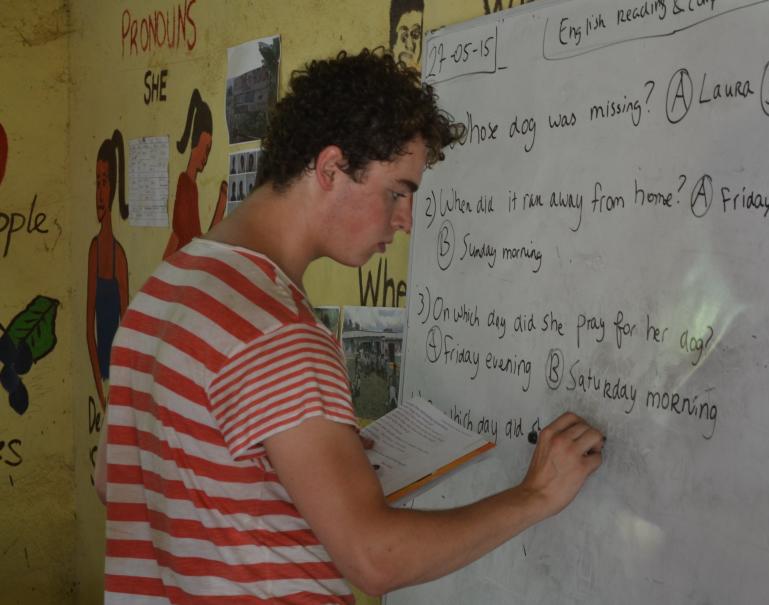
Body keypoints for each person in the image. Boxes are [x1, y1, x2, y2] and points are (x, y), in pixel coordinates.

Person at [95, 49, 605, 603]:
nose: (406, 220)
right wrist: (536, 494)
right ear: (331, 169)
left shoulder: (166, 289)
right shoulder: (281, 335)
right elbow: (374, 559)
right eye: (397, 192)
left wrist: (311, 465)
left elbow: (112, 480)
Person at [86, 130, 130, 408]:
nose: (99, 192)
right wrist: (100, 391)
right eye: (97, 182)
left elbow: (127, 330)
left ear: (112, 189)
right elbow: (89, 330)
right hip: (101, 377)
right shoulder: (93, 250)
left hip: (117, 377)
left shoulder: (119, 257)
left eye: (104, 183)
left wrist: (117, 388)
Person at [162, 88, 228, 258]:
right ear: (194, 144)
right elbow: (197, 243)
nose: (206, 157)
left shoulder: (189, 186)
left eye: (209, 150)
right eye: (205, 148)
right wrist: (221, 206)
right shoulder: (186, 186)